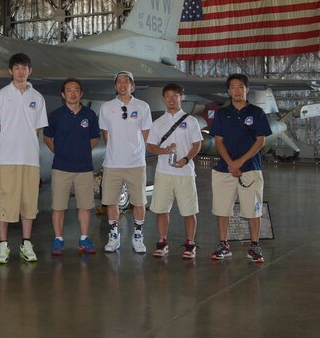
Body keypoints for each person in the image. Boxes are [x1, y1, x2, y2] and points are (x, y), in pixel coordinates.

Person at [0, 53, 49, 264]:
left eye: (24, 68)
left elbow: (38, 127)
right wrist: (4, 143)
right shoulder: (1, 95)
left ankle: (26, 243)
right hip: (6, 160)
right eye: (17, 68)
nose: (21, 72)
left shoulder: (37, 98)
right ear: (10, 71)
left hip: (30, 160)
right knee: (5, 202)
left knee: (29, 203)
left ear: (30, 71)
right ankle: (3, 245)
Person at [209, 73, 272, 263]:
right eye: (233, 87)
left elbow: (260, 141)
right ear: (228, 91)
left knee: (253, 210)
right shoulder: (222, 114)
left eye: (241, 87)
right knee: (222, 209)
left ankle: (254, 245)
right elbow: (218, 141)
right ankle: (223, 244)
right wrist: (230, 163)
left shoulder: (257, 113)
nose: (237, 91)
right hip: (224, 169)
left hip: (251, 169)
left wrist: (239, 163)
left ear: (247, 89)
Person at [43, 78, 100, 256]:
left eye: (76, 90)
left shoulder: (90, 115)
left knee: (85, 205)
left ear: (81, 94)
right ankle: (58, 240)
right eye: (69, 90)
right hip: (61, 167)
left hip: (84, 167)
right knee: (59, 206)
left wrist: (81, 151)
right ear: (63, 94)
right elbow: (47, 137)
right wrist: (60, 151)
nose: (73, 93)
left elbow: (94, 138)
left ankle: (84, 239)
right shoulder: (55, 115)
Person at [145, 83, 203, 259]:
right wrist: (164, 151)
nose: (171, 99)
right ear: (163, 99)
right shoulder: (158, 123)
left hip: (185, 173)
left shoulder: (191, 121)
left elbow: (197, 145)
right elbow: (151, 146)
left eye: (175, 95)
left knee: (188, 211)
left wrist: (186, 159)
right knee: (161, 209)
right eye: (168, 96)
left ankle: (190, 243)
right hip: (163, 172)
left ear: (181, 98)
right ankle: (162, 242)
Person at [98, 70, 152, 253]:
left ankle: (138, 236)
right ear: (115, 86)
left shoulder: (143, 106)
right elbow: (106, 136)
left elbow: (145, 135)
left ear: (132, 85)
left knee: (139, 202)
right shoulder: (106, 107)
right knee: (111, 201)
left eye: (126, 81)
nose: (122, 85)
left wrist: (132, 150)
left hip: (136, 164)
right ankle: (114, 236)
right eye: (119, 82)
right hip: (113, 164)